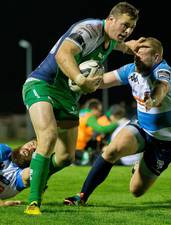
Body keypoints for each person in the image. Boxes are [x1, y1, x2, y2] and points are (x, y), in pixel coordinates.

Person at [22, 2, 139, 215]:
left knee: (66, 157)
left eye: (131, 27)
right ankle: (33, 203)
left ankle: (31, 176)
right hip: (42, 84)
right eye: (124, 25)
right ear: (110, 19)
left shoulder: (112, 40)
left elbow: (126, 46)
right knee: (47, 138)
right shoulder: (89, 29)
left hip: (68, 97)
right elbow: (62, 54)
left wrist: (139, 47)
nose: (127, 31)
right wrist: (80, 79)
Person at [63, 37, 171, 205]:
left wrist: (153, 100)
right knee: (111, 150)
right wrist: (82, 80)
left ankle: (139, 165)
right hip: (142, 127)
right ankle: (82, 196)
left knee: (136, 191)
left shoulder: (164, 72)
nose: (137, 55)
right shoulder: (131, 70)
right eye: (136, 51)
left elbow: (161, 87)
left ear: (156, 57)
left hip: (167, 141)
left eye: (143, 52)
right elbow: (103, 81)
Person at [75, 98, 118, 165]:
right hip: (79, 147)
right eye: (99, 111)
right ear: (94, 109)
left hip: (73, 145)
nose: (100, 113)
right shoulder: (89, 116)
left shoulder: (82, 112)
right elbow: (100, 129)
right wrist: (116, 124)